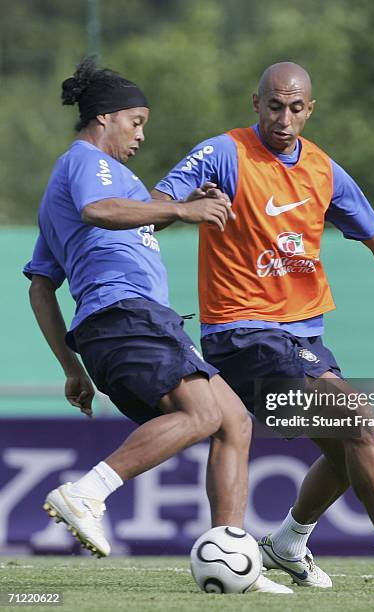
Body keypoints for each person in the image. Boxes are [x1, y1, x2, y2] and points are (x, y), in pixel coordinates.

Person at [152, 61, 374, 592]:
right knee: (360, 424)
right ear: (255, 102)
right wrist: (184, 207)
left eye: (294, 108)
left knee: (346, 450)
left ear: (310, 109)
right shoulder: (224, 152)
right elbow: (155, 204)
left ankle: (288, 541)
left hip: (303, 337)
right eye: (273, 105)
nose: (283, 117)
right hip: (245, 333)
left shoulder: (324, 171)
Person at [23, 58, 291, 594]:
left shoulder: (110, 184)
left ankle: (232, 553)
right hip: (126, 314)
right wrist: (186, 214)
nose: (142, 134)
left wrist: (71, 368)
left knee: (233, 421)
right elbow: (100, 210)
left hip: (127, 322)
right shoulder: (87, 164)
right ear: (105, 118)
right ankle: (88, 492)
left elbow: (40, 285)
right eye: (136, 121)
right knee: (202, 414)